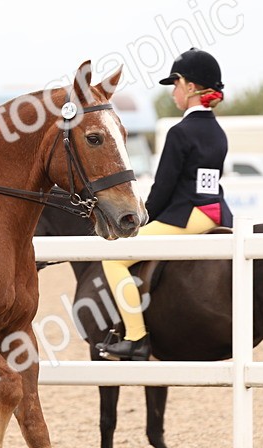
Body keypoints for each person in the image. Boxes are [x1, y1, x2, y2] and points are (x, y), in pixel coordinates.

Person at [96, 48, 233, 361]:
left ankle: (135, 338)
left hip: (187, 217)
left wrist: (142, 220)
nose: (173, 92)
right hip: (217, 214)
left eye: (175, 85)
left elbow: (164, 188)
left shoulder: (180, 132)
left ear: (188, 87)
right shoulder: (218, 132)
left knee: (114, 258)